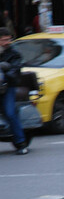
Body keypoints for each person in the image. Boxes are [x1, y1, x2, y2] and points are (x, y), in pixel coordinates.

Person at [0, 27, 28, 155]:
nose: (7, 42)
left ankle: (21, 143)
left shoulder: (14, 54)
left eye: (8, 39)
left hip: (7, 88)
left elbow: (15, 70)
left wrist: (7, 70)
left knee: (10, 113)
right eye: (4, 40)